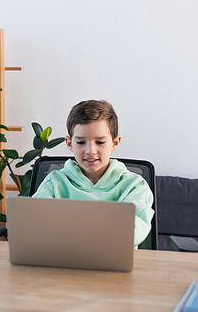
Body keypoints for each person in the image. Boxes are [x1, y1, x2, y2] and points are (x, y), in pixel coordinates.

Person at [32, 100, 154, 247]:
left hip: (114, 264)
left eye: (100, 142)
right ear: (69, 143)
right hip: (63, 262)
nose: (90, 150)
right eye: (81, 142)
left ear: (115, 143)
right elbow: (34, 225)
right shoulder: (54, 182)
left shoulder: (134, 185)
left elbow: (131, 233)